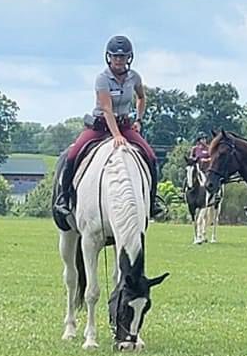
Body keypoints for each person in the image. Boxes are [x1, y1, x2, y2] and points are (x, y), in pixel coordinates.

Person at [53, 36, 164, 220]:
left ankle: (151, 203)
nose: (119, 60)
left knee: (151, 157)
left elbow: (141, 97)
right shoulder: (102, 79)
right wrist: (116, 135)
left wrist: (139, 119)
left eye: (123, 56)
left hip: (125, 125)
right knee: (72, 156)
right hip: (99, 126)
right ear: (108, 57)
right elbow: (106, 108)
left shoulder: (134, 77)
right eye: (115, 56)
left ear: (129, 57)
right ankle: (64, 199)